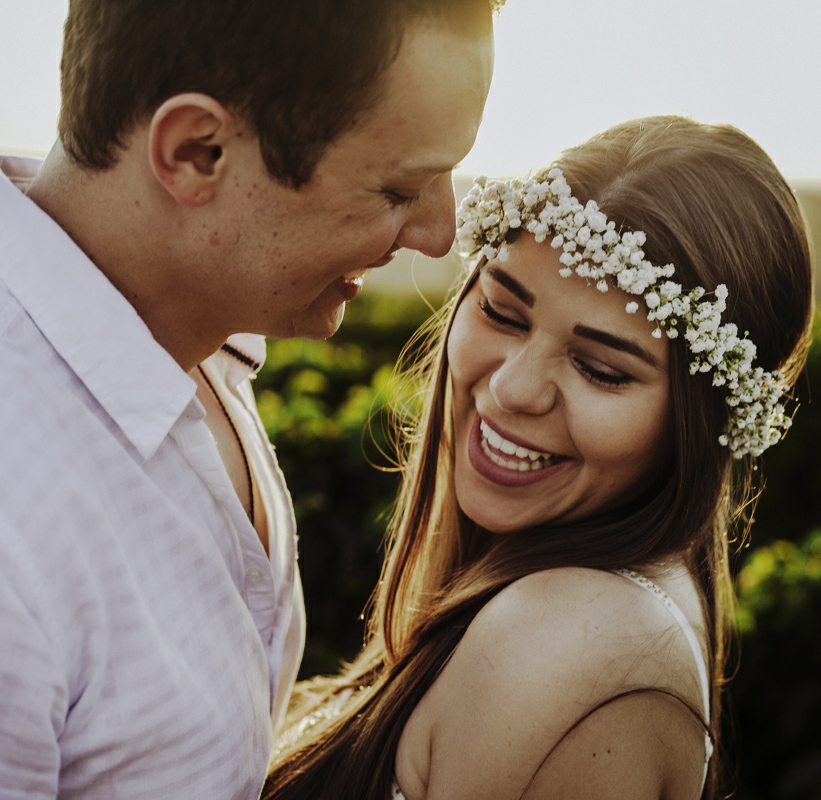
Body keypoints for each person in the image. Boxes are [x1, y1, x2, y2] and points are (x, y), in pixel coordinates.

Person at [0, 0, 495, 796]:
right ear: (199, 151)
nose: (440, 232)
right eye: (400, 188)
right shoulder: (15, 521)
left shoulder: (196, 336)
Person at [265, 115, 814, 799]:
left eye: (601, 369)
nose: (512, 388)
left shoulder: (570, 644)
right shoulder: (614, 601)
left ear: (701, 425)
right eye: (502, 312)